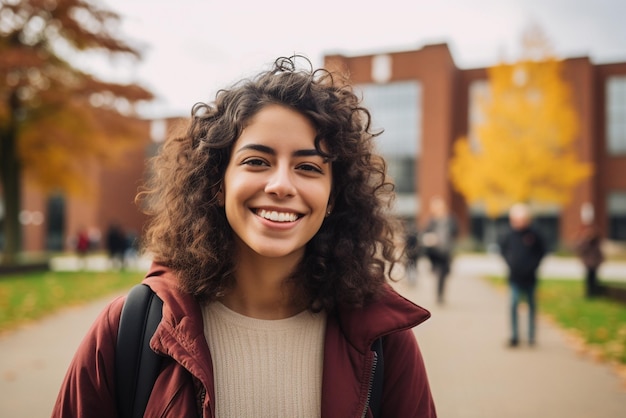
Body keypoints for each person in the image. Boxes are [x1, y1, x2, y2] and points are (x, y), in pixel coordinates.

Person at [52, 56, 436, 417]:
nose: (281, 185)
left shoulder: (383, 341)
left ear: (334, 196)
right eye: (257, 161)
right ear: (217, 184)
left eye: (307, 166)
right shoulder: (129, 329)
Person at [498, 203, 547, 347]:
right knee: (513, 304)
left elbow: (541, 251)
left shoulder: (534, 234)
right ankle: (514, 336)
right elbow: (503, 250)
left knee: (532, 305)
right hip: (515, 276)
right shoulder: (509, 234)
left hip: (530, 276)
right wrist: (510, 263)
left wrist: (534, 265)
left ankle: (531, 335)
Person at [421, 196, 458, 304]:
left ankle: (440, 294)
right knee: (438, 273)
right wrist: (430, 239)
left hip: (446, 250)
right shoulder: (431, 220)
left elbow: (455, 232)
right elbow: (425, 232)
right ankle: (439, 295)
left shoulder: (450, 219)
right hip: (434, 252)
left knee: (444, 273)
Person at [575, 224, 604, 298]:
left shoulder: (596, 242)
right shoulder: (586, 242)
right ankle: (589, 293)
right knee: (589, 279)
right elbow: (580, 249)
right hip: (588, 263)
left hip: (594, 263)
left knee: (594, 278)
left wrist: (600, 260)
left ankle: (594, 292)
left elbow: (599, 253)